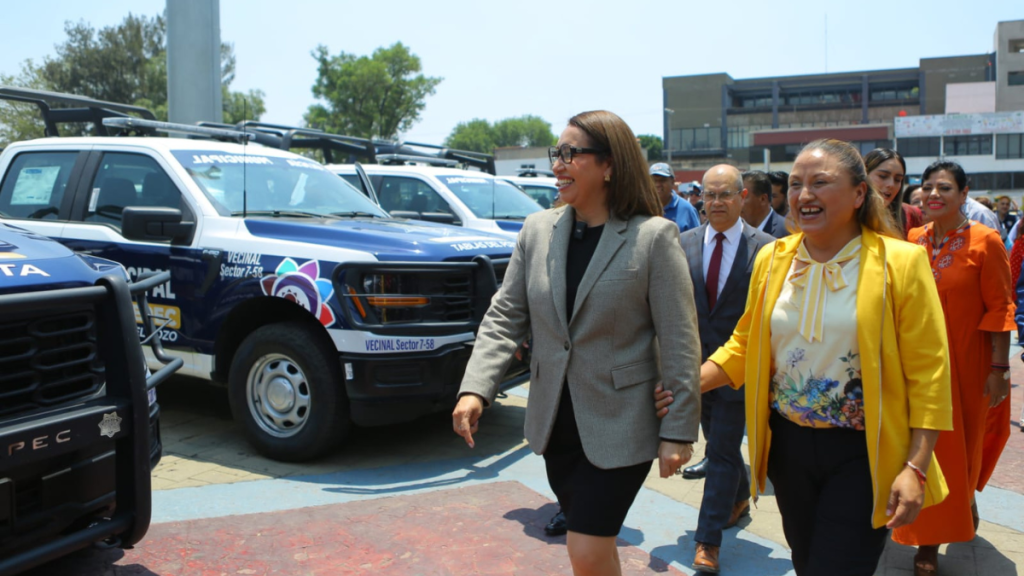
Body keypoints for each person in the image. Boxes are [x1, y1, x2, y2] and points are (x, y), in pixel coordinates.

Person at [678, 139, 953, 576]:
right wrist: (683, 386)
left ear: (859, 194)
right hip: (788, 449)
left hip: (865, 452)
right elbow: (743, 344)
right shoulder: (773, 258)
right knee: (806, 562)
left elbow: (930, 373)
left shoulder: (901, 262)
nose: (804, 195)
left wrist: (915, 468)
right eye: (796, 184)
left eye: (820, 183)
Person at [453, 110, 702, 576]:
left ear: (609, 164)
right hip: (556, 426)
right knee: (599, 549)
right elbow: (506, 314)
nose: (558, 165)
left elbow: (680, 338)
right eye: (557, 154)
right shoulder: (537, 230)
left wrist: (679, 431)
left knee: (585, 550)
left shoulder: (653, 237)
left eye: (571, 154)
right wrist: (475, 387)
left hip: (621, 426)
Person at [894, 160, 1015, 576]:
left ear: (964, 194)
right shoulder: (913, 240)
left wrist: (999, 370)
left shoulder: (987, 241)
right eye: (927, 187)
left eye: (944, 188)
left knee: (956, 451)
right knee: (920, 448)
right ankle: (936, 522)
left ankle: (931, 542)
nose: (933, 195)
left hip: (969, 363)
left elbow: (1000, 308)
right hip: (919, 363)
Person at [664, 164, 775, 573]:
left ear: (742, 196)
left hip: (736, 370)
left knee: (723, 450)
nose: (716, 203)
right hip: (693, 366)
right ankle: (739, 498)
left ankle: (707, 541)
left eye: (725, 194)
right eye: (709, 195)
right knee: (720, 443)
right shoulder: (682, 241)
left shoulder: (766, 247)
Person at [863, 148, 922, 240]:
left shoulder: (910, 215)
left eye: (898, 180)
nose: (891, 184)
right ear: (865, 174)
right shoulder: (845, 215)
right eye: (883, 176)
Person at [650, 163, 700, 232]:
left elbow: (696, 239)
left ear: (672, 182)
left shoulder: (687, 209)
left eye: (662, 180)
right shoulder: (644, 208)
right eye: (653, 181)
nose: (657, 184)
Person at [740, 170, 789, 238]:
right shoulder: (738, 231)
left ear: (763, 199)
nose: (738, 202)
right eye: (737, 197)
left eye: (744, 197)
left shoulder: (787, 232)